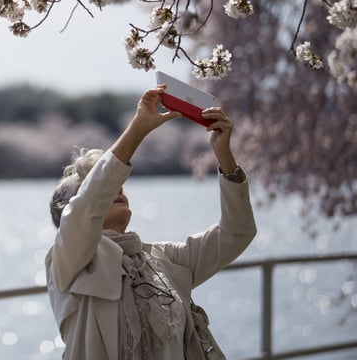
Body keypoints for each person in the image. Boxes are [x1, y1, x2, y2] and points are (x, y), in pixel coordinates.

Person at [45, 85, 257, 360]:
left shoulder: (162, 260)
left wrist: (224, 157)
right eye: (103, 187)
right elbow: (86, 206)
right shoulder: (67, 263)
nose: (118, 188)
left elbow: (236, 234)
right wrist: (138, 127)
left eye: (119, 185)